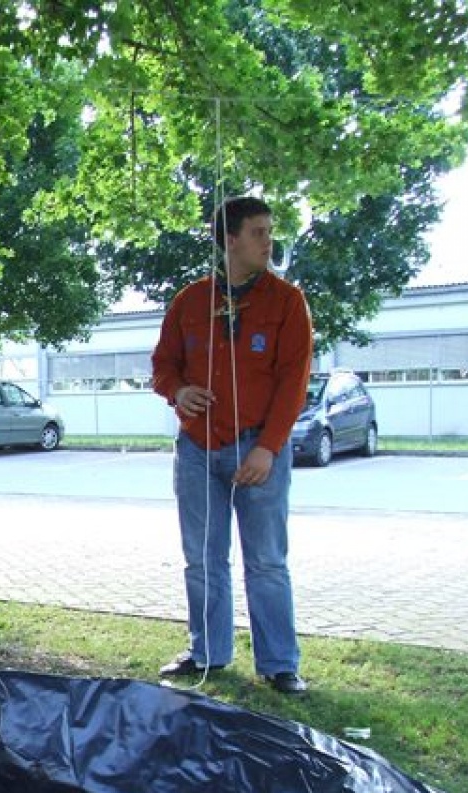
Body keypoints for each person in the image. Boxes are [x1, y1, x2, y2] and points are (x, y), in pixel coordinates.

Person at [150, 195, 313, 694]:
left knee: (265, 559)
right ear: (229, 240)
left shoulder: (286, 302)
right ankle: (207, 652)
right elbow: (163, 366)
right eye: (259, 232)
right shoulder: (189, 301)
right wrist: (178, 390)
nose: (268, 241)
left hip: (257, 447)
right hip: (198, 448)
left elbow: (294, 381)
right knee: (202, 557)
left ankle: (280, 663)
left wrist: (268, 448)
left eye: (269, 232)